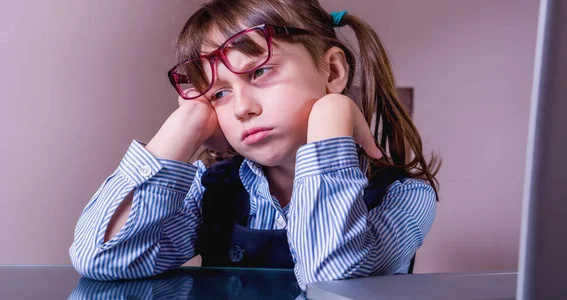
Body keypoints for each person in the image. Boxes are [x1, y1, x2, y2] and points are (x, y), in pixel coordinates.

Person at [69, 0, 440, 290]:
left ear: (333, 72)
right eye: (219, 94)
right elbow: (101, 259)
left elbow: (329, 280)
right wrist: (187, 124)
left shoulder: (402, 196)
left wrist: (331, 120)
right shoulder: (211, 194)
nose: (244, 108)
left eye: (259, 72)